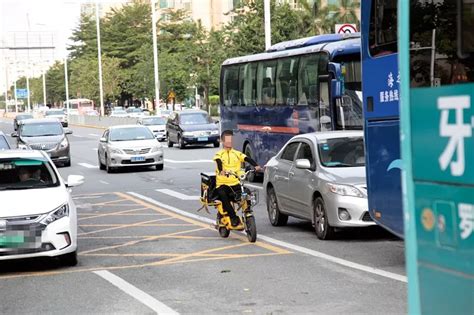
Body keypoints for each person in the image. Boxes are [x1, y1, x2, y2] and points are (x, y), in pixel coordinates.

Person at [213, 130, 262, 227]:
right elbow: (218, 162)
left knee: (247, 193)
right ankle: (233, 217)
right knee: (223, 196)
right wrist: (222, 170)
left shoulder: (236, 153)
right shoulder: (219, 154)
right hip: (223, 185)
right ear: (223, 141)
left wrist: (256, 166)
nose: (229, 143)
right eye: (227, 141)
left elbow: (246, 158)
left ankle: (247, 212)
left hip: (235, 183)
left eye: (231, 141)